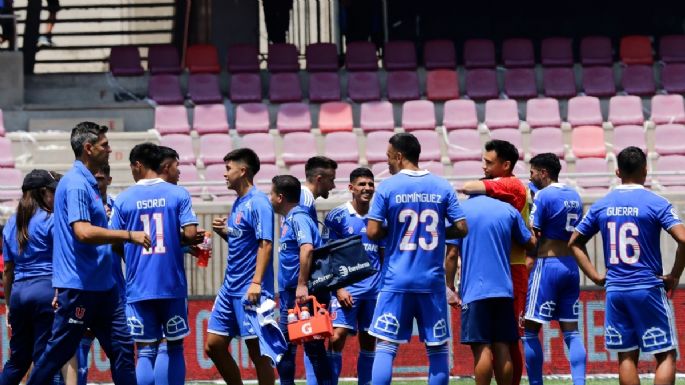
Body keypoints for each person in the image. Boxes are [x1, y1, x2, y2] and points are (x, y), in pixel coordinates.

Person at [25, 121, 150, 385]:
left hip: (105, 287)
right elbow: (82, 232)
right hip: (80, 287)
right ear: (88, 148)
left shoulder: (89, 183)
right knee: (57, 353)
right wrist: (129, 235)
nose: (109, 149)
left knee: (123, 349)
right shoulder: (75, 185)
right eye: (104, 145)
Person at [569, 146, 685, 385]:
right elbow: (683, 238)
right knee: (665, 354)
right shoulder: (655, 202)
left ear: (617, 171)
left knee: (626, 356)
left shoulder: (602, 204)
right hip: (647, 288)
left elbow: (574, 243)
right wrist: (674, 274)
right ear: (645, 169)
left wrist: (595, 276)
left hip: (615, 290)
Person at [365, 133, 468, 385]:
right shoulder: (442, 186)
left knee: (386, 345)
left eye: (389, 157)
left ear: (399, 156)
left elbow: (372, 231)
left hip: (396, 279)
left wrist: (395, 232)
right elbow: (462, 227)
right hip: (431, 281)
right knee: (437, 348)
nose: (387, 163)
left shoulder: (388, 187)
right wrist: (441, 232)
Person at [109, 143, 200, 385]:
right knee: (174, 347)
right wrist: (173, 238)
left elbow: (113, 238)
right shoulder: (178, 194)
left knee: (146, 351)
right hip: (171, 284)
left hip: (139, 285)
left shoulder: (124, 199)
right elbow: (191, 234)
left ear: (138, 165)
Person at [459, 139, 530, 385]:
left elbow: (467, 187)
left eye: (489, 163)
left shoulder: (509, 185)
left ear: (506, 165)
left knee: (503, 343)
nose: (484, 168)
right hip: (504, 273)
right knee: (505, 342)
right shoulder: (503, 199)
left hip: (511, 268)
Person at [447, 194, 535, 385]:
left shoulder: (461, 211)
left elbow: (452, 254)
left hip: (475, 291)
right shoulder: (507, 210)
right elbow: (529, 242)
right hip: (504, 289)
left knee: (482, 349)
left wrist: (449, 286)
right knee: (502, 345)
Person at [205, 148, 276, 385]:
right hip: (229, 288)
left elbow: (265, 244)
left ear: (242, 170)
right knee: (213, 346)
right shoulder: (239, 202)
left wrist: (256, 283)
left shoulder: (259, 203)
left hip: (250, 289)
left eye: (228, 169)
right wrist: (225, 233)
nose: (225, 174)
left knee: (258, 353)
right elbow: (244, 241)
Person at [522, 153, 586, 385]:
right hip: (570, 266)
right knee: (572, 331)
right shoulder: (574, 195)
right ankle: (579, 382)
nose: (530, 177)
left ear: (543, 173)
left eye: (532, 173)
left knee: (529, 329)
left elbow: (533, 235)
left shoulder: (543, 195)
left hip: (547, 265)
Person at [270, 175, 332, 385]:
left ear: (280, 197)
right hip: (292, 294)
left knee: (311, 348)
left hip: (302, 295)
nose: (269, 198)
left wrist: (302, 285)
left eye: (271, 193)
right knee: (287, 346)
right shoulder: (290, 219)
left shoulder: (299, 218)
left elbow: (307, 248)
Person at [323, 167, 383, 385]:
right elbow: (327, 255)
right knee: (337, 337)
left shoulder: (380, 217)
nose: (367, 188)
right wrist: (338, 288)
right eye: (362, 184)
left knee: (369, 341)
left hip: (374, 291)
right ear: (351, 188)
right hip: (347, 290)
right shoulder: (337, 216)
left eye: (370, 184)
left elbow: (384, 255)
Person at [0, 169, 60, 385]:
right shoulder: (51, 220)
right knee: (46, 359)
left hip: (18, 294)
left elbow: (8, 270)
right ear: (43, 192)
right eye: (52, 192)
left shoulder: (10, 224)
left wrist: (9, 304)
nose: (55, 197)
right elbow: (62, 262)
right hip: (46, 291)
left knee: (17, 361)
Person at [74, 164, 122, 385]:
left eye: (101, 178)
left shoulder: (118, 207)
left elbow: (129, 248)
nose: (96, 182)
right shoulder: (81, 207)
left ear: (109, 180)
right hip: (85, 285)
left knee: (120, 350)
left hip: (114, 288)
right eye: (93, 178)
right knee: (80, 343)